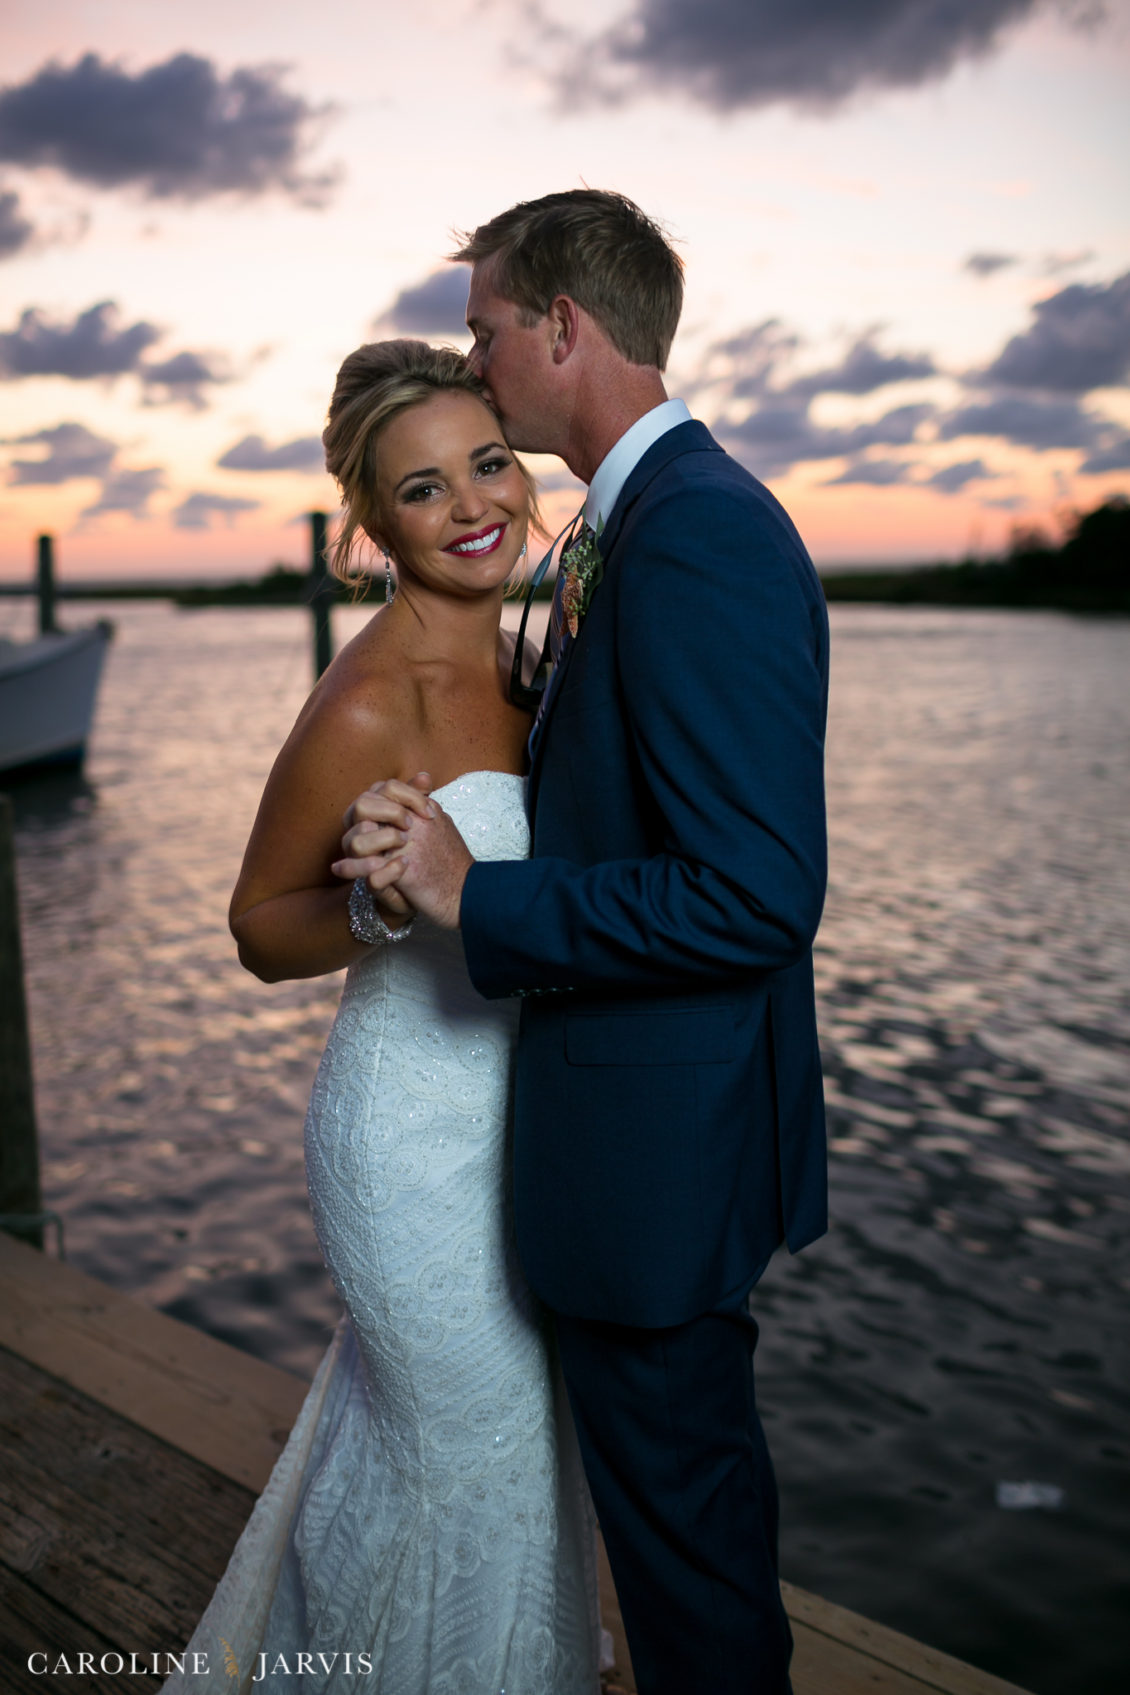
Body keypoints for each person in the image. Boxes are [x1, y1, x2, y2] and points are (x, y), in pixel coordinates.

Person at [342, 191, 830, 1694]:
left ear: (562, 326)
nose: (476, 366)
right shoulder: (633, 526)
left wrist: (473, 897)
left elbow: (756, 893)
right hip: (641, 1137)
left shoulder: (697, 534)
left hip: (658, 1159)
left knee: (690, 1567)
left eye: (488, 332)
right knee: (681, 1546)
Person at [162, 339, 603, 1693]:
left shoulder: (531, 667)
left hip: (521, 1127)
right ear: (372, 526)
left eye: (488, 464)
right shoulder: (367, 703)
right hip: (409, 1146)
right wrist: (381, 908)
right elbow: (256, 927)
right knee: (460, 1447)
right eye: (423, 489)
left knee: (509, 1449)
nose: (472, 506)